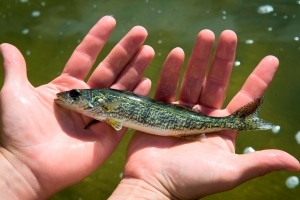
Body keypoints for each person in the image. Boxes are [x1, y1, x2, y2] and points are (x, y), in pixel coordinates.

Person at [0, 16, 298, 199]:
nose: (68, 97)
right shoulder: (102, 108)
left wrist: (18, 173)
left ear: (93, 101)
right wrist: (17, 169)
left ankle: (240, 121)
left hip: (180, 122)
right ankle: (240, 121)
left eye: (75, 96)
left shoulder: (103, 103)